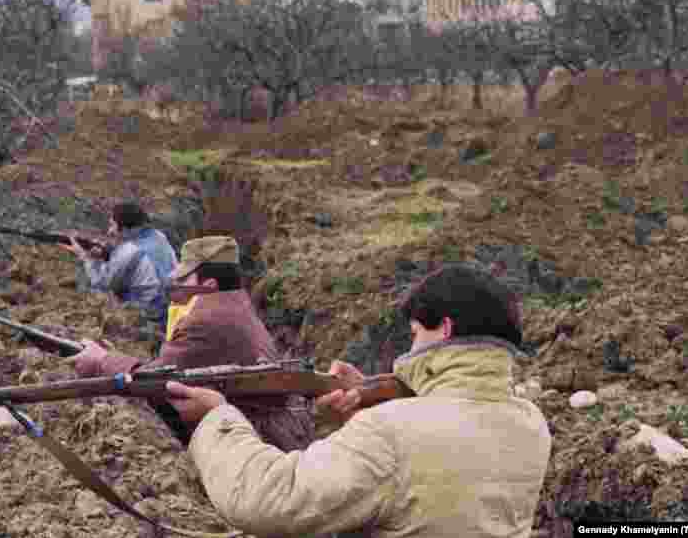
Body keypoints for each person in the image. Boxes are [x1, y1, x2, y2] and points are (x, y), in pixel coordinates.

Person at [165, 264, 553, 538]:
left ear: (445, 329)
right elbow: (431, 478)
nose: (411, 346)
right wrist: (372, 401)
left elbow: (269, 500)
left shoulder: (393, 432)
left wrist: (217, 418)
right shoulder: (530, 423)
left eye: (416, 334)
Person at [68, 235, 314, 452]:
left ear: (208, 286)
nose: (175, 288)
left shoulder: (207, 320)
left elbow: (158, 382)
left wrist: (102, 360)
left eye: (182, 280)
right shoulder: (234, 303)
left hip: (258, 445)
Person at [61, 201, 177, 318]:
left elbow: (101, 283)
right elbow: (138, 256)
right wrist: (107, 252)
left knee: (91, 288)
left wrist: (85, 257)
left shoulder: (128, 250)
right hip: (171, 302)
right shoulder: (158, 236)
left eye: (112, 225)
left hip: (150, 310)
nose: (109, 231)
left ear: (126, 228)